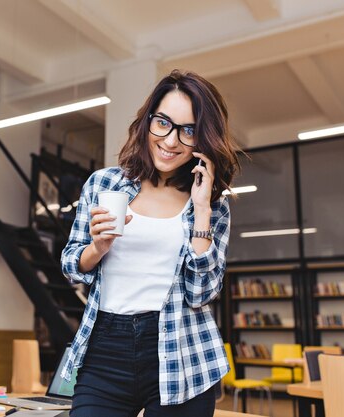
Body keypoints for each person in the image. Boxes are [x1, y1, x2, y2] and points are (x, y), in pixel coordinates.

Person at [60, 70, 241, 417]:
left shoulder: (210, 204)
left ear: (202, 139)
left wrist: (201, 210)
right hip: (106, 350)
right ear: (148, 122)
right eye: (163, 123)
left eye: (188, 131)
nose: (171, 141)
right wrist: (97, 248)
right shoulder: (105, 184)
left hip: (181, 351)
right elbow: (71, 266)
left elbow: (202, 293)